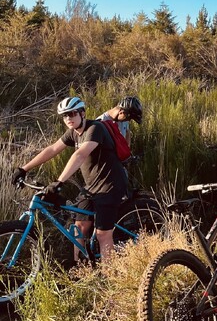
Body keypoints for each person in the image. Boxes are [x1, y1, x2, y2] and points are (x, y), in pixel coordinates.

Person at [11, 95, 129, 262]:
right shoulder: (73, 133)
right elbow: (52, 149)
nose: (68, 118)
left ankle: (109, 276)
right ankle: (80, 269)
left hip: (110, 185)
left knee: (103, 234)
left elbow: (80, 155)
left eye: (72, 113)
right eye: (65, 115)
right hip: (91, 187)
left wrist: (59, 182)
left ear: (82, 113)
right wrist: (24, 168)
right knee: (79, 227)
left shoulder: (95, 128)